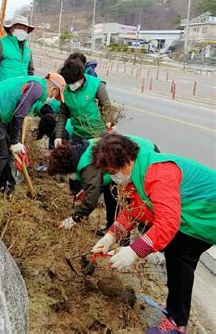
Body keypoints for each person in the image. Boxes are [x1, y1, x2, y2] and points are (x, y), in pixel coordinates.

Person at [91, 133, 216, 334]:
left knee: (181, 254)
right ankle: (174, 313)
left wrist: (134, 251)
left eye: (112, 171)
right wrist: (111, 235)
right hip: (194, 214)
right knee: (176, 252)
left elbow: (168, 222)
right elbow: (134, 209)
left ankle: (177, 324)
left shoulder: (157, 173)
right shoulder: (137, 174)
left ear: (127, 162)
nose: (113, 177)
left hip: (208, 215)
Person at [0, 74, 62, 194]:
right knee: (0, 154)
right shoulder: (37, 88)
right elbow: (18, 115)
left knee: (4, 152)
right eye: (56, 96)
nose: (53, 98)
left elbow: (18, 115)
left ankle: (6, 188)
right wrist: (15, 142)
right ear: (53, 89)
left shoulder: (35, 85)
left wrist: (16, 141)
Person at [47, 135, 158, 232]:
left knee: (136, 199)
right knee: (111, 193)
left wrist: (72, 219)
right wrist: (86, 189)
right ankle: (113, 228)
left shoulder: (87, 165)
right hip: (132, 153)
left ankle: (131, 236)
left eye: (64, 173)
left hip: (143, 154)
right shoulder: (80, 150)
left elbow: (91, 200)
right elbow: (99, 180)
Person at [54, 58, 113, 144]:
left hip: (97, 134)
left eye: (74, 82)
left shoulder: (96, 85)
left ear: (81, 77)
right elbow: (63, 114)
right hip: (78, 135)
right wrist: (58, 136)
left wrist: (109, 121)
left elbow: (106, 106)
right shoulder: (66, 90)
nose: (71, 85)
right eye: (69, 83)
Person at [0, 15, 35, 86]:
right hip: (3, 91)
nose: (22, 30)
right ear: (11, 29)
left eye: (25, 29)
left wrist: (30, 87)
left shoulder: (27, 50)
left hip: (21, 92)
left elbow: (30, 71)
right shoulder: (0, 44)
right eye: (19, 27)